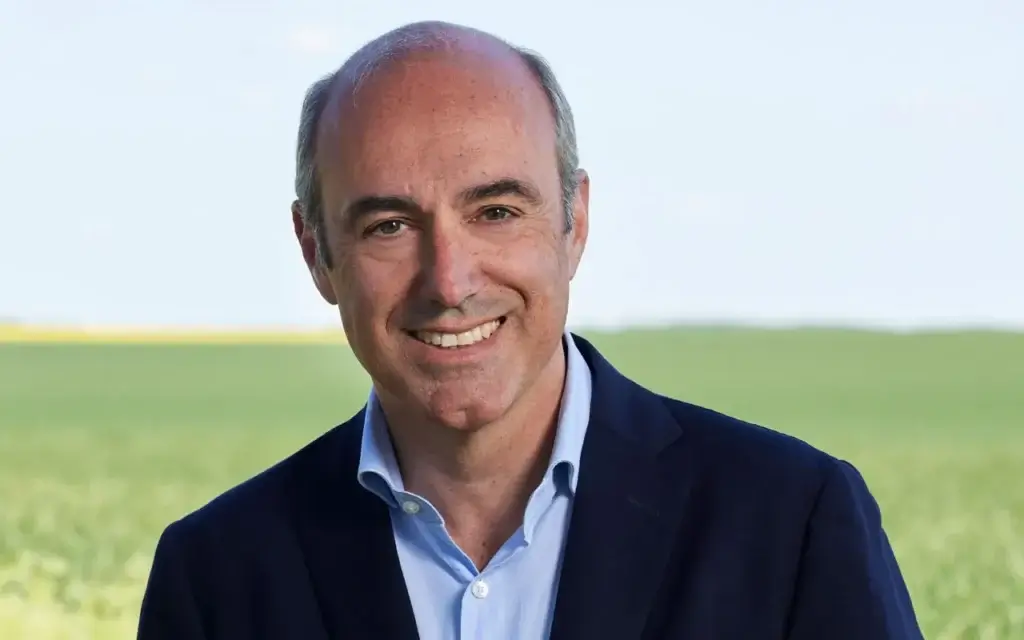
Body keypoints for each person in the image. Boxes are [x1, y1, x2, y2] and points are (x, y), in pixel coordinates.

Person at [137, 20, 924, 640]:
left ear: (574, 223)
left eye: (496, 212)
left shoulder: (792, 522)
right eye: (389, 226)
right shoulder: (216, 577)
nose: (450, 282)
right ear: (317, 254)